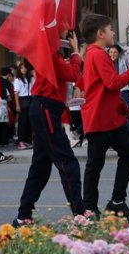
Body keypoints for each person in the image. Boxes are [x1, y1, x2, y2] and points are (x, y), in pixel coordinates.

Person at [13, 29, 86, 226]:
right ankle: (80, 215)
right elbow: (72, 73)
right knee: (67, 163)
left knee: (40, 168)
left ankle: (23, 216)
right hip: (45, 108)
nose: (65, 37)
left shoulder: (50, 54)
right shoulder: (50, 55)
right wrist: (75, 51)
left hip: (46, 109)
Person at [79, 15, 129, 222]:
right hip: (100, 119)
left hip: (109, 118)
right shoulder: (98, 54)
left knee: (127, 154)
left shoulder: (96, 54)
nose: (113, 33)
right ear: (100, 34)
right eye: (110, 29)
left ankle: (116, 202)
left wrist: (121, 107)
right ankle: (91, 208)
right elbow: (111, 83)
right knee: (95, 164)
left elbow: (105, 88)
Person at [13, 61, 34, 149]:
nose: (23, 69)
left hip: (30, 99)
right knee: (23, 122)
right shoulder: (18, 80)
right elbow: (16, 94)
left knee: (30, 121)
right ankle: (21, 141)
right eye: (21, 68)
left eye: (25, 68)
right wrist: (17, 105)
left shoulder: (30, 79)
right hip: (22, 100)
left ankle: (27, 140)